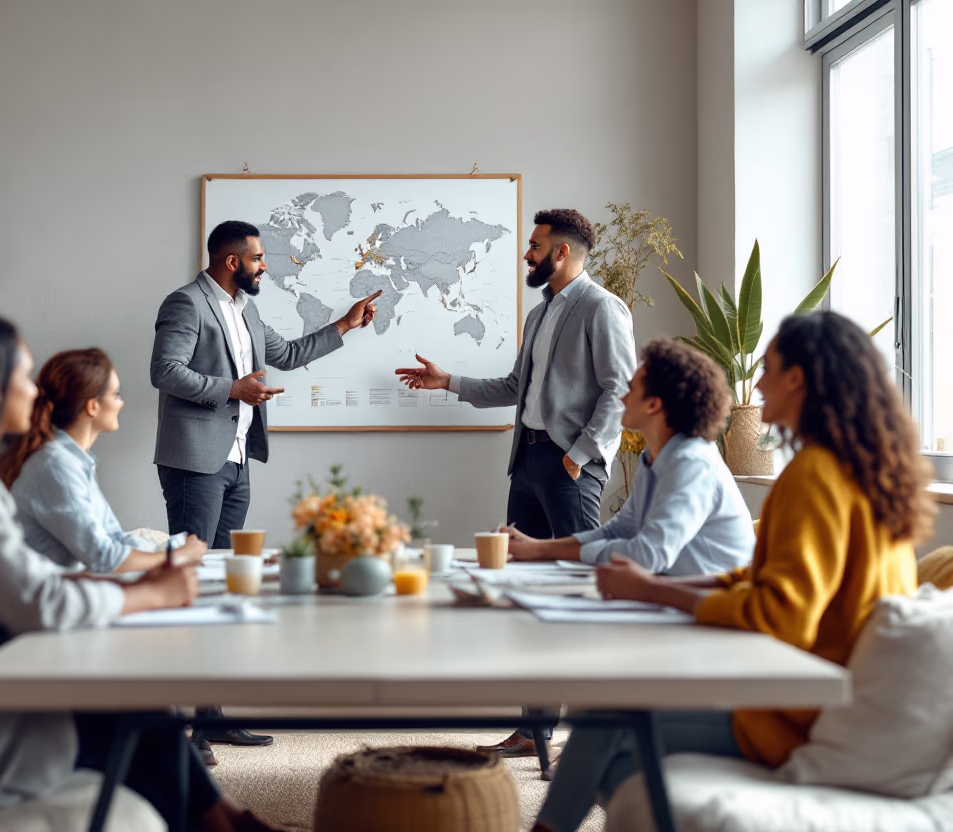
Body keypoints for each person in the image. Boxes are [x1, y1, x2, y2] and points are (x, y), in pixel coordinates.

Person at [0, 313, 277, 832]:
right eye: (24, 377)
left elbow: (25, 584)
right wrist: (150, 596)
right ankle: (221, 821)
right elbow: (42, 603)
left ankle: (224, 819)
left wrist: (105, 585)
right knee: (134, 716)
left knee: (135, 698)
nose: (34, 391)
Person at [532, 311, 930, 832]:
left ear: (798, 378)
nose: (757, 384)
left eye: (768, 368)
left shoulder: (813, 476)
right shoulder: (858, 471)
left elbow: (780, 613)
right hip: (839, 700)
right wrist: (653, 588)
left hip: (812, 715)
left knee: (606, 721)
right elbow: (758, 582)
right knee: (610, 739)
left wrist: (656, 590)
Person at [396, 208, 636, 757]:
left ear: (560, 252)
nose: (525, 254)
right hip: (526, 465)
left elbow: (620, 389)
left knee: (578, 594)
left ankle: (603, 730)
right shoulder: (540, 313)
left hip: (569, 467)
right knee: (525, 592)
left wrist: (578, 456)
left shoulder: (601, 308)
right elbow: (512, 386)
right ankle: (534, 730)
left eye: (534, 246)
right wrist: (447, 382)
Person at [150, 220, 379, 758]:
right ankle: (185, 727)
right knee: (192, 586)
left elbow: (289, 354)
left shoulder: (244, 309)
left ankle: (212, 720)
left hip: (234, 462)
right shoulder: (185, 304)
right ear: (233, 262)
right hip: (195, 464)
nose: (264, 267)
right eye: (258, 259)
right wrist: (230, 388)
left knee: (227, 588)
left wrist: (344, 325)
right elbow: (165, 370)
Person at [502, 338, 754, 577]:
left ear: (653, 405)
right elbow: (620, 530)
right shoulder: (654, 457)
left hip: (716, 607)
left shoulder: (692, 463)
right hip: (675, 596)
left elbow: (649, 554)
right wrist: (536, 548)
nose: (622, 396)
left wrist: (555, 552)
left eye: (631, 388)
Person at [0, 347, 206, 574]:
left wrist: (174, 546)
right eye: (116, 395)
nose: (121, 403)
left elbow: (114, 539)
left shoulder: (74, 461)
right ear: (92, 406)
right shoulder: (56, 466)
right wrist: (177, 556)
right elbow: (105, 558)